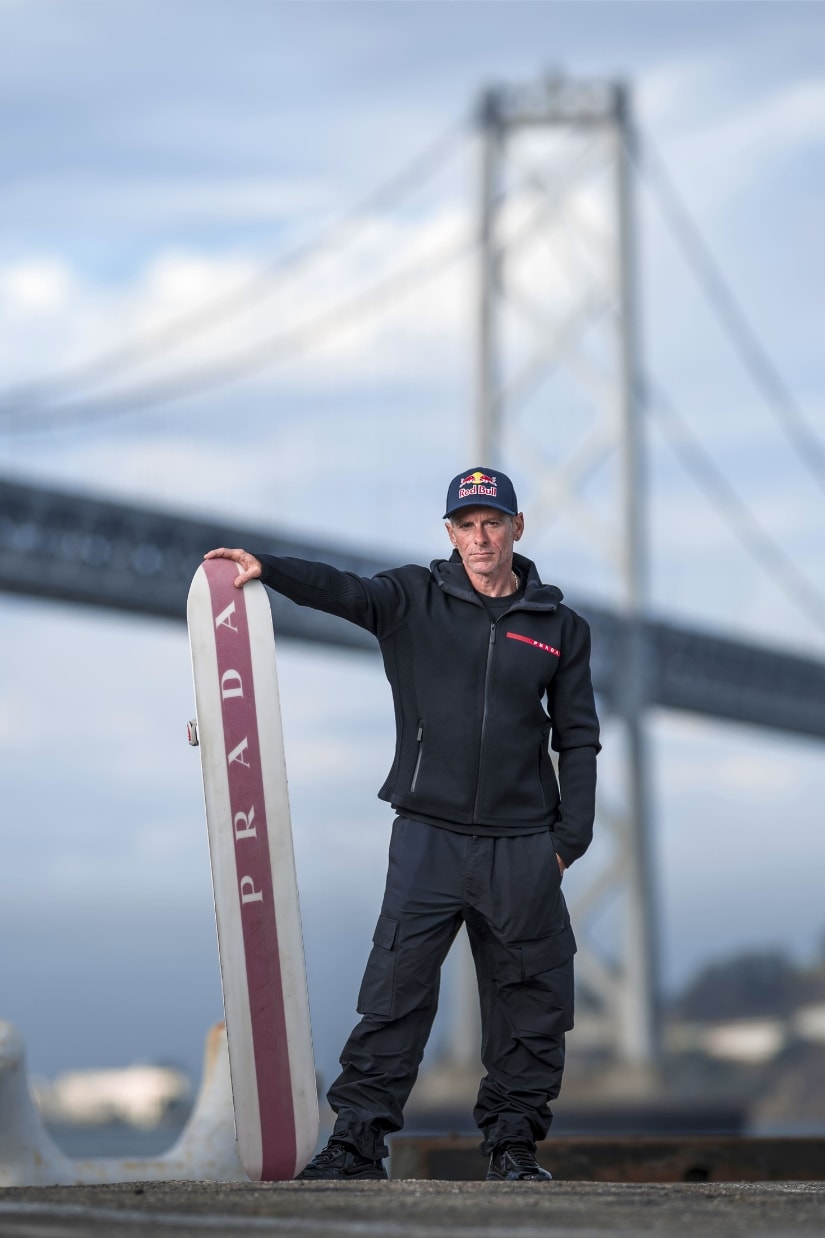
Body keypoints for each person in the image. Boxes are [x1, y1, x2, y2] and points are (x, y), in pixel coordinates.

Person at [205, 466, 600, 1183]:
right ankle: (356, 1144)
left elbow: (578, 737)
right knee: (395, 993)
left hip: (523, 845)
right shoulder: (411, 599)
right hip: (428, 835)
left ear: (517, 527)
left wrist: (569, 840)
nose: (479, 538)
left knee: (530, 1005)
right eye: (465, 525)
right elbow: (343, 589)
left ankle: (512, 1149)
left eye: (492, 523)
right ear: (449, 533)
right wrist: (269, 567)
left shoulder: (560, 627)